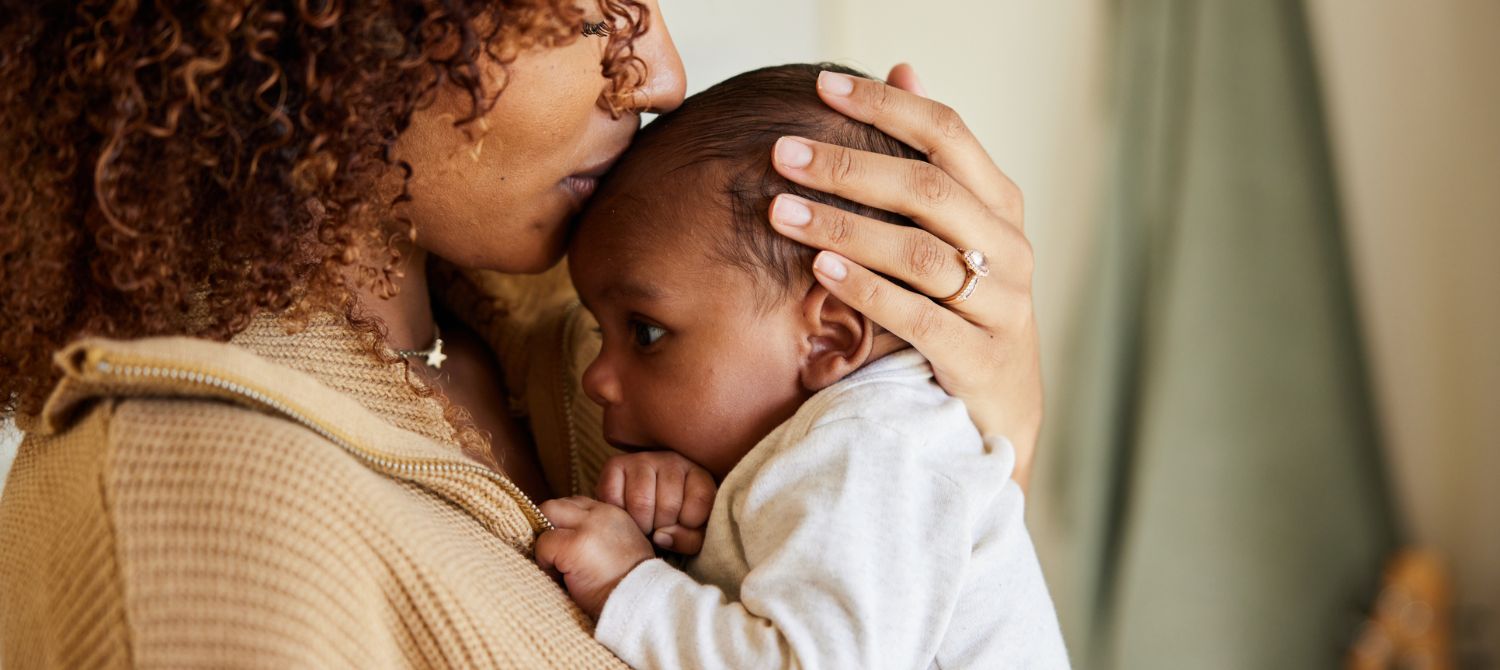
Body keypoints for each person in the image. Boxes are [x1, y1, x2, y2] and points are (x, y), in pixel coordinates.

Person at [0, 1, 1043, 666]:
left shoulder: (607, 331)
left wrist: (978, 437)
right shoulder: (191, 524)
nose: (658, 76)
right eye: (594, 4)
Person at [533, 63, 1069, 669]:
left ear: (829, 338)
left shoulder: (872, 447)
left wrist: (629, 585)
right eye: (600, 332)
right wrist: (706, 532)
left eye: (645, 333)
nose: (595, 377)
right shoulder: (856, 441)